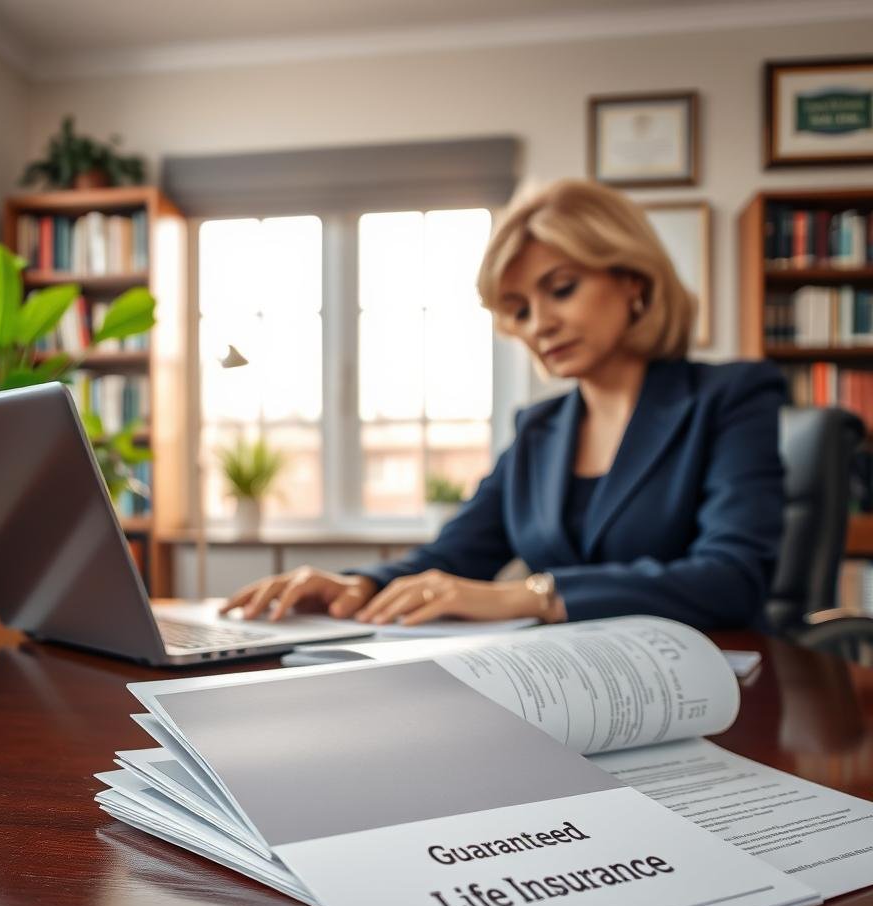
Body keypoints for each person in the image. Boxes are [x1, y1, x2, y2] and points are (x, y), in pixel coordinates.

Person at [221, 179, 785, 631]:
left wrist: (532, 595)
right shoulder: (540, 428)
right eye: (518, 309)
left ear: (634, 281)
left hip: (711, 685)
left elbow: (731, 579)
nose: (539, 324)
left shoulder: (729, 397)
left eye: (561, 289)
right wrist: (359, 584)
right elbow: (458, 555)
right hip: (572, 681)